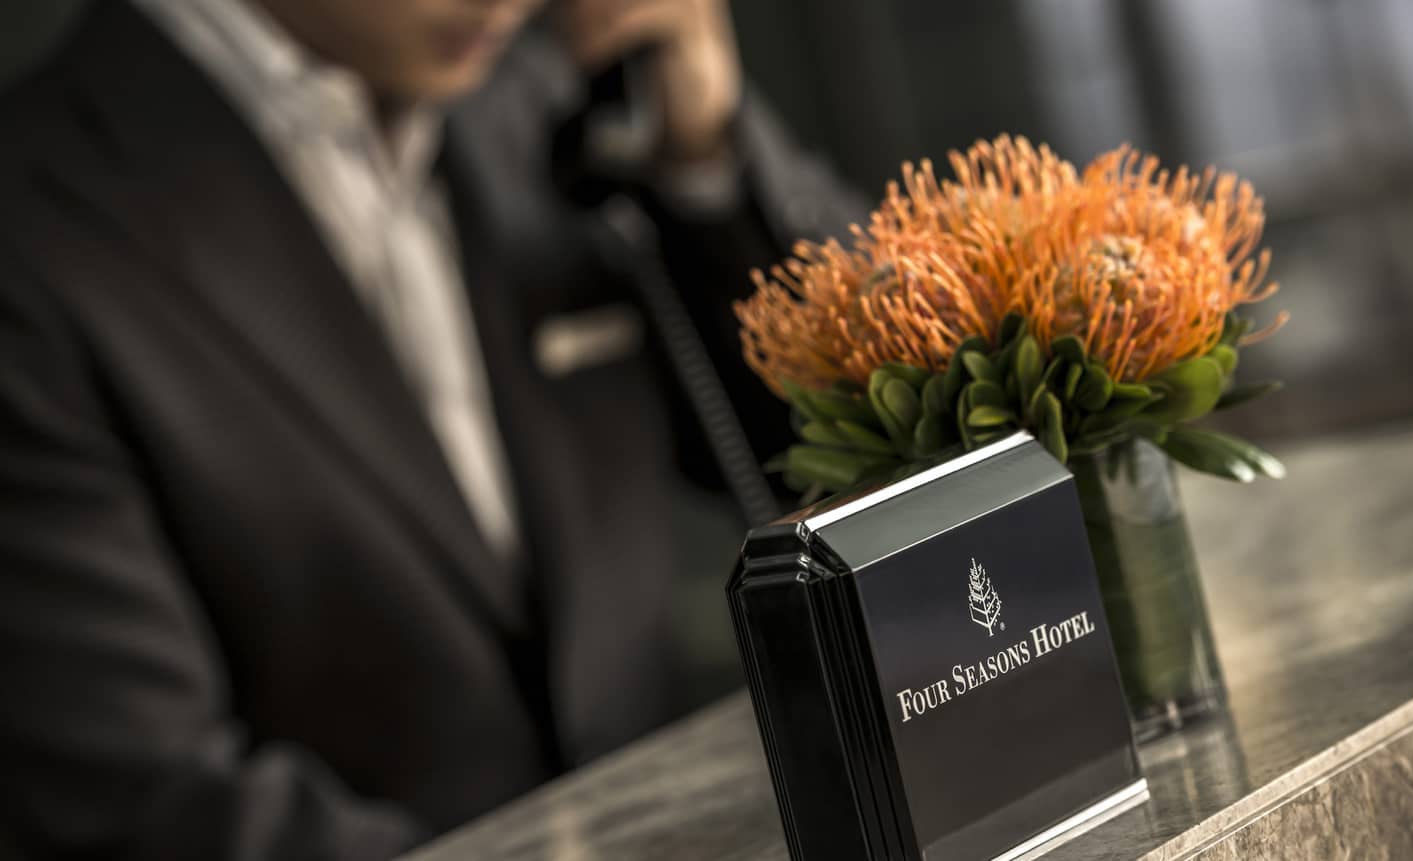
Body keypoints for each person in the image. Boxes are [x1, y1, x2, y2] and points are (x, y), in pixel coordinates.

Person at [0, 0, 860, 856]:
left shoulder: (543, 90)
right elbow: (143, 798)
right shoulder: (40, 216)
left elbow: (851, 449)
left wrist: (702, 161)